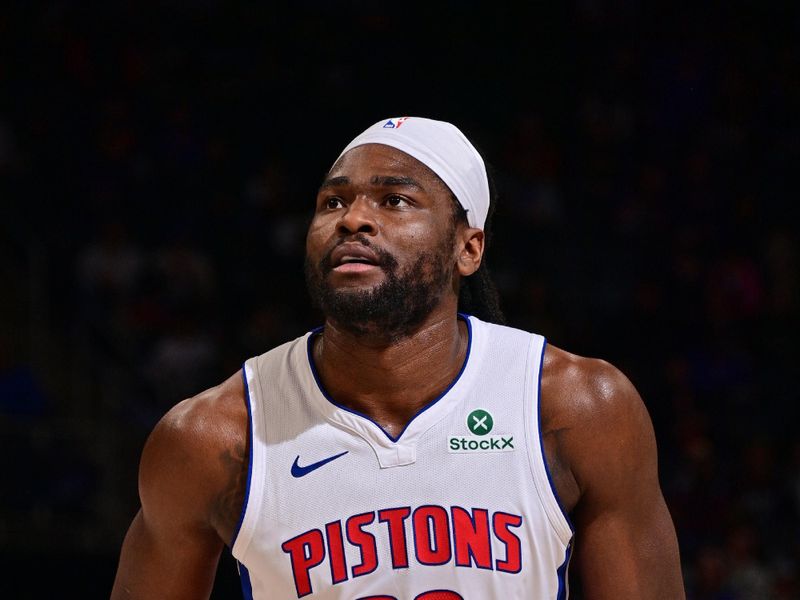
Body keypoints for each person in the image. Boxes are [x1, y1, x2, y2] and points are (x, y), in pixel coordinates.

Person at [111, 116, 685, 599]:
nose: (353, 218)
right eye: (332, 201)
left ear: (468, 247)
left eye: (395, 200)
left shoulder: (576, 406)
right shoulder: (212, 435)